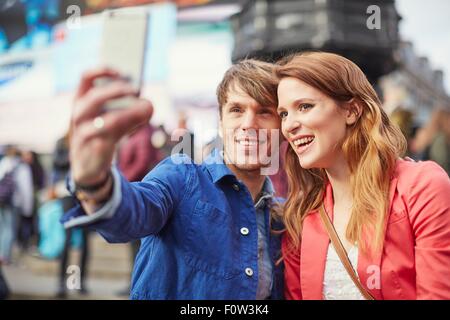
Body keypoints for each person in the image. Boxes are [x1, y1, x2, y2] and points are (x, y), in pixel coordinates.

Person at [61, 60, 285, 299]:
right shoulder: (182, 176)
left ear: (282, 126)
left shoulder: (283, 218)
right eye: (236, 110)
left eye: (264, 111)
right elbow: (132, 211)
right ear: (221, 124)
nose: (249, 124)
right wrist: (96, 183)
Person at [276, 52, 450, 300]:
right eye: (284, 113)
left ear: (352, 111)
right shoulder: (300, 216)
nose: (289, 125)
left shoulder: (423, 186)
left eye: (304, 106)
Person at [116, 122, 163, 296]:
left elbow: (141, 163)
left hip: (137, 193)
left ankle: (136, 283)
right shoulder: (135, 134)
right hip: (132, 192)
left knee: (138, 244)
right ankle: (133, 281)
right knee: (134, 244)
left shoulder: (143, 135)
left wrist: (121, 182)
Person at [51, 131, 90, 298]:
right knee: (67, 239)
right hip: (67, 193)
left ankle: (80, 283)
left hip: (86, 194)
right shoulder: (62, 142)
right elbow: (56, 163)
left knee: (85, 242)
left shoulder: (88, 141)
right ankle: (61, 283)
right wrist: (73, 155)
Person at [0, 145, 33, 265]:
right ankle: (5, 256)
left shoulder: (3, 163)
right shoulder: (21, 167)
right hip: (13, 202)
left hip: (2, 200)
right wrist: (28, 208)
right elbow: (26, 189)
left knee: (2, 228)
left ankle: (2, 255)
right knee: (9, 229)